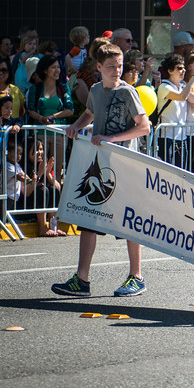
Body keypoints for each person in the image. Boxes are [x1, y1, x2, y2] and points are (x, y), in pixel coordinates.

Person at [52, 42, 151, 297]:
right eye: (111, 67)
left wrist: (111, 138)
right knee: (88, 221)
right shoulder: (96, 90)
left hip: (125, 166)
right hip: (100, 167)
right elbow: (89, 113)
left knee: (130, 223)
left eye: (119, 66)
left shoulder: (128, 92)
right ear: (99, 67)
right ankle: (81, 280)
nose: (117, 71)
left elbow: (144, 127)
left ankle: (136, 276)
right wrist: (76, 126)